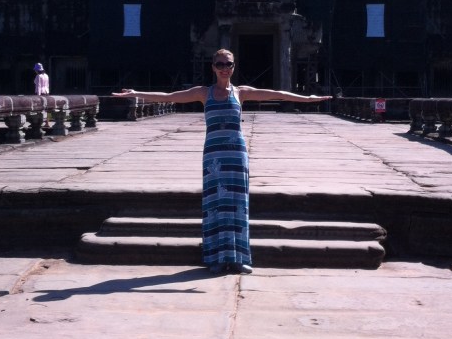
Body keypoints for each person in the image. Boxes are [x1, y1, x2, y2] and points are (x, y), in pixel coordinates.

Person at [112, 49, 331, 275]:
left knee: (238, 205)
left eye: (229, 64)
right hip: (214, 157)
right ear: (213, 67)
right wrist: (136, 93)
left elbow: (277, 94)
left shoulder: (241, 93)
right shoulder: (203, 93)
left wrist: (307, 99)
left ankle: (238, 258)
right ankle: (216, 257)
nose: (225, 68)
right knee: (215, 205)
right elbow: (169, 97)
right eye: (220, 64)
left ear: (234, 66)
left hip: (236, 156)